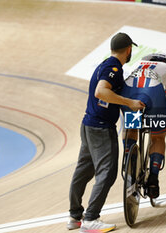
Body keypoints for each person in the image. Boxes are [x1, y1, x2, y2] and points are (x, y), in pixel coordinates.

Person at [67, 32, 145, 232]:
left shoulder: (104, 64)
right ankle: (90, 219)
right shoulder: (114, 68)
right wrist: (131, 103)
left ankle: (75, 217)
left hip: (88, 125)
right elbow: (101, 92)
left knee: (83, 171)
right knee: (107, 173)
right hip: (101, 128)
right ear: (128, 50)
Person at [120, 52, 166, 198]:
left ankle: (129, 162)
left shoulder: (137, 64)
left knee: (130, 128)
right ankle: (153, 179)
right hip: (153, 94)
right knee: (158, 137)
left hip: (129, 93)